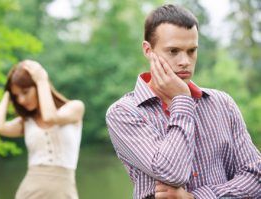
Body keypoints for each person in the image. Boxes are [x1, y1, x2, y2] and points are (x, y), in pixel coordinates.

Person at [106, 4, 261, 199]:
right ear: (148, 50)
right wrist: (182, 101)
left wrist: (197, 197)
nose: (185, 61)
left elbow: (256, 177)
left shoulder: (223, 104)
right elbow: (172, 172)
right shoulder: (124, 112)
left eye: (191, 51)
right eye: (173, 51)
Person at [0, 60, 85, 199]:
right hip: (29, 192)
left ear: (38, 86)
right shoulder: (27, 122)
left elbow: (50, 117)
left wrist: (41, 80)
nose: (21, 100)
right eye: (17, 96)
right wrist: (8, 94)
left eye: (25, 92)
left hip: (64, 192)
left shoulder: (74, 108)